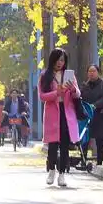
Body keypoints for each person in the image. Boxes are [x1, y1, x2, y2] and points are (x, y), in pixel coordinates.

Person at [39, 48, 80, 187]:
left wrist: (73, 89)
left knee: (64, 145)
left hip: (66, 112)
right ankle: (51, 171)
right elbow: (42, 96)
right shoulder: (45, 75)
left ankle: (61, 174)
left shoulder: (69, 75)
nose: (59, 63)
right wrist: (57, 92)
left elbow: (77, 94)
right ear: (52, 60)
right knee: (52, 144)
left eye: (62, 60)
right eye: (57, 60)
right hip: (52, 112)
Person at [80, 65, 103, 166]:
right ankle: (83, 160)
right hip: (87, 116)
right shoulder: (85, 85)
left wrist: (95, 105)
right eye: (89, 71)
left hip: (99, 115)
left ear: (98, 72)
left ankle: (100, 161)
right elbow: (81, 97)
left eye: (93, 71)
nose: (91, 73)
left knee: (99, 139)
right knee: (85, 139)